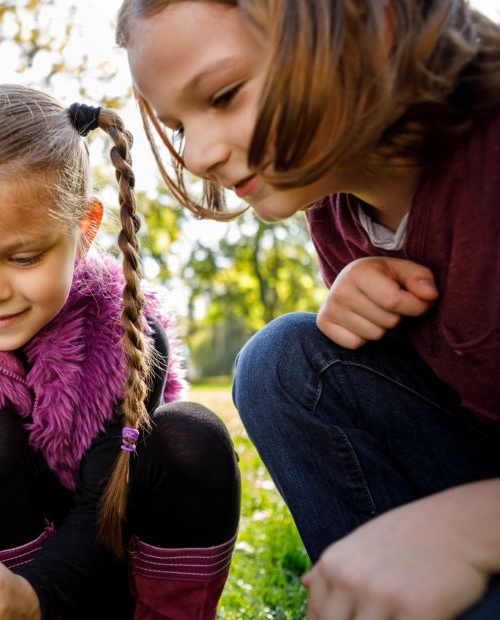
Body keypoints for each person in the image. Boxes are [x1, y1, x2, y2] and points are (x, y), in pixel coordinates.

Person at [116, 0, 500, 618]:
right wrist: (367, 323)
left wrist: (469, 527)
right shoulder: (337, 213)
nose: (196, 156)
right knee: (282, 361)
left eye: (224, 95)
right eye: (181, 126)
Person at [0, 84, 240, 620]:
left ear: (86, 229)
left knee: (193, 436)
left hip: (103, 577)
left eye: (23, 257)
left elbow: (101, 514)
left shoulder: (121, 336)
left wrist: (32, 598)